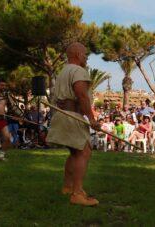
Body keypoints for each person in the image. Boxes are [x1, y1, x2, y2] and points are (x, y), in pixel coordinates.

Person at [46, 42, 100, 206]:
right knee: (84, 152)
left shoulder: (63, 71)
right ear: (77, 54)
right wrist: (91, 119)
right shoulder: (78, 71)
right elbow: (82, 96)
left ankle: (68, 187)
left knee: (75, 152)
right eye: (84, 55)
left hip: (63, 114)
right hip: (72, 115)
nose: (86, 58)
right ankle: (77, 194)